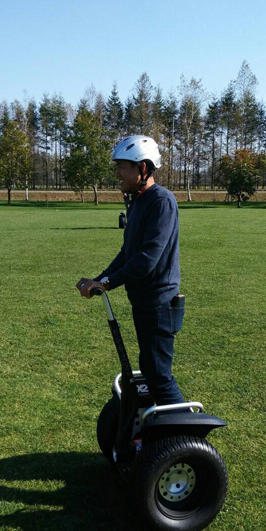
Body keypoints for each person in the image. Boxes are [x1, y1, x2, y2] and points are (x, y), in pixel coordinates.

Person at [76, 135, 185, 406]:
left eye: (122, 167)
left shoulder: (161, 201)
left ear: (143, 169)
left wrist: (109, 283)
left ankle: (185, 439)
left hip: (160, 303)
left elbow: (147, 258)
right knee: (149, 370)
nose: (117, 174)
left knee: (159, 375)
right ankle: (159, 435)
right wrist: (100, 279)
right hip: (144, 302)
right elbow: (128, 254)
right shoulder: (136, 202)